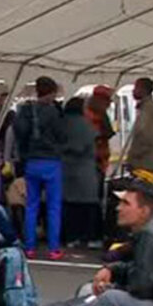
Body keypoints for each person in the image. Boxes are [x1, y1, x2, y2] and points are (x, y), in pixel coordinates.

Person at [14, 76, 66, 260]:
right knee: (53, 207)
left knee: (31, 206)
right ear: (51, 92)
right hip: (52, 162)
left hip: (32, 162)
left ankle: (30, 247)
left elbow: (19, 134)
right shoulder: (54, 112)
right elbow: (62, 136)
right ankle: (53, 248)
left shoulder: (27, 110)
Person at [60, 97, 101, 249]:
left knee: (69, 206)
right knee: (88, 205)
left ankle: (70, 237)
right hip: (85, 169)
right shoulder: (86, 125)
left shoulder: (61, 123)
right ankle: (90, 237)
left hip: (65, 169)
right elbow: (88, 144)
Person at [126, 78, 153, 180]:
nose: (133, 91)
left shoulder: (147, 109)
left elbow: (145, 137)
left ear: (143, 89)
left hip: (146, 165)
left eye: (136, 87)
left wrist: (132, 157)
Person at [88, 84, 116, 173]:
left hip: (100, 159)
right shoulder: (88, 115)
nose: (108, 104)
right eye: (107, 101)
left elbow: (109, 133)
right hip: (92, 159)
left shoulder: (102, 114)